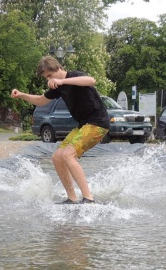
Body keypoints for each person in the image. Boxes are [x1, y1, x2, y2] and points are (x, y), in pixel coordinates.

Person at [11, 56, 109, 204]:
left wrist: (62, 81)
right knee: (57, 157)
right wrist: (21, 95)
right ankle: (72, 197)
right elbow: (40, 100)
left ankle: (89, 198)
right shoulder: (58, 87)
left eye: (49, 76)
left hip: (98, 123)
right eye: (46, 78)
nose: (48, 80)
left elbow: (91, 81)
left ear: (57, 68)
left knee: (68, 155)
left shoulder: (73, 76)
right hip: (84, 125)